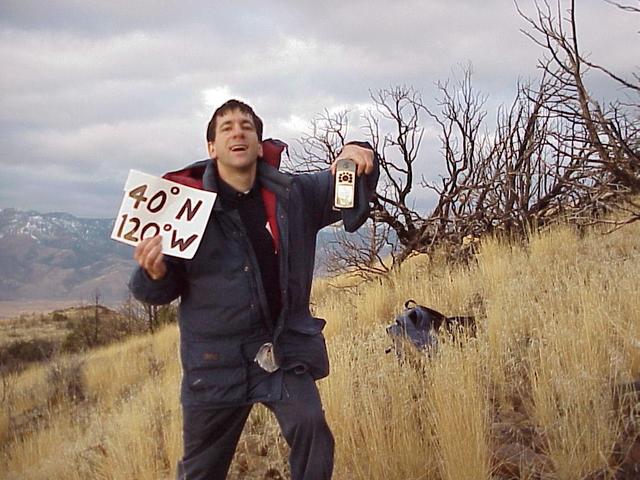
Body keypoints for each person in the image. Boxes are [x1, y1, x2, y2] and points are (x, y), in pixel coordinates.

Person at [129, 99, 378, 480]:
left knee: (312, 429)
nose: (238, 131)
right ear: (211, 148)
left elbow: (346, 179)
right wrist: (154, 272)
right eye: (226, 127)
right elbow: (155, 292)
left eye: (246, 126)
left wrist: (356, 148)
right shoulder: (183, 208)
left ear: (260, 145)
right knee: (201, 469)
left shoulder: (293, 195)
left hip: (280, 351)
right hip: (215, 364)